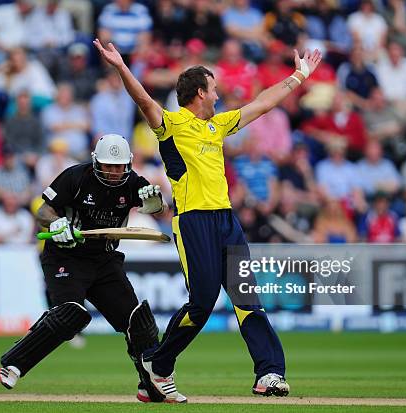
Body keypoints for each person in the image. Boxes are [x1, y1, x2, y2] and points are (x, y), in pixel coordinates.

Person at [93, 37, 321, 401]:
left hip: (226, 221)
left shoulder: (218, 126)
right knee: (201, 303)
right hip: (193, 222)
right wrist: (121, 66)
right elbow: (143, 100)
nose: (219, 95)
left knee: (247, 298)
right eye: (214, 89)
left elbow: (262, 104)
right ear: (200, 92)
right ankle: (158, 365)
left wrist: (299, 76)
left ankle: (269, 373)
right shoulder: (171, 124)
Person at [0, 134, 173, 404]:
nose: (114, 173)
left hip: (104, 259)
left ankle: (150, 385)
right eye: (108, 166)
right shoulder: (75, 177)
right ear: (95, 162)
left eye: (119, 166)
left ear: (128, 164)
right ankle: (14, 363)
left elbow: (159, 209)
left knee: (138, 322)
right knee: (71, 315)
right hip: (66, 257)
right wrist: (56, 224)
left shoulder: (135, 182)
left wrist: (155, 206)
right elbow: (43, 211)